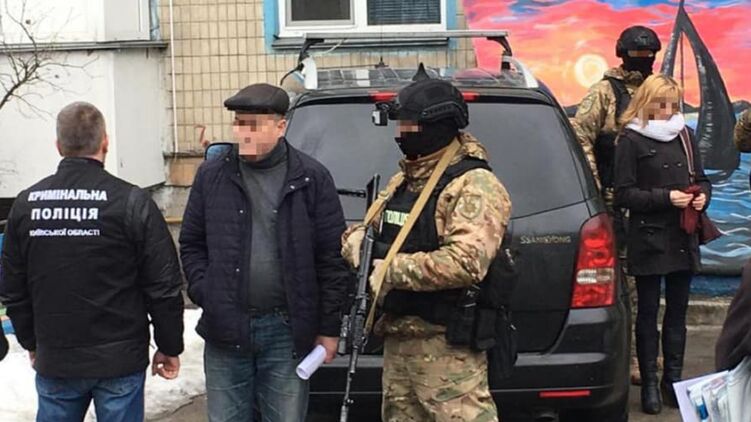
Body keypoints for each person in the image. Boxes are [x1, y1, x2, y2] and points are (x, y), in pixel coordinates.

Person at [0, 102, 184, 421]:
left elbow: (12, 286)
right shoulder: (131, 201)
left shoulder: (27, 205)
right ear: (105, 142)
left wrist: (32, 342)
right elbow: (163, 285)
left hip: (57, 357)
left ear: (58, 146)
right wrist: (169, 345)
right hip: (120, 360)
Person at [342, 78, 511, 421]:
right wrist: (356, 243)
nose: (402, 134)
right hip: (399, 341)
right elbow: (368, 230)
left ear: (437, 126)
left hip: (447, 349)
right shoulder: (405, 181)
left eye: (410, 125)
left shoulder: (473, 184)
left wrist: (387, 269)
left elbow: (465, 262)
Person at [179, 83, 350, 421]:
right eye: (239, 123)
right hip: (226, 328)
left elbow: (332, 259)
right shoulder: (212, 176)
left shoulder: (311, 178)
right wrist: (206, 290)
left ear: (280, 126)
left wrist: (329, 328)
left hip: (286, 331)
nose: (243, 132)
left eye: (253, 125)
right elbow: (192, 243)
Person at [570, 24, 662, 385]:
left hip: (651, 204)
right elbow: (581, 137)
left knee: (647, 287)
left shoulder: (658, 91)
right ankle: (627, 357)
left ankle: (644, 355)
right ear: (622, 55)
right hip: (614, 203)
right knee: (619, 287)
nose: (643, 61)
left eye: (648, 55)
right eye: (637, 55)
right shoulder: (604, 93)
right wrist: (595, 189)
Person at [614, 74, 711, 415]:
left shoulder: (685, 134)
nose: (669, 109)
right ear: (647, 101)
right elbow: (623, 194)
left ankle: (674, 382)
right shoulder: (630, 139)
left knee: (678, 312)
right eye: (662, 103)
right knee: (648, 312)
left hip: (683, 234)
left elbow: (702, 179)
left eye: (673, 103)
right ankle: (651, 386)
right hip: (649, 237)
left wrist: (703, 198)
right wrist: (665, 198)